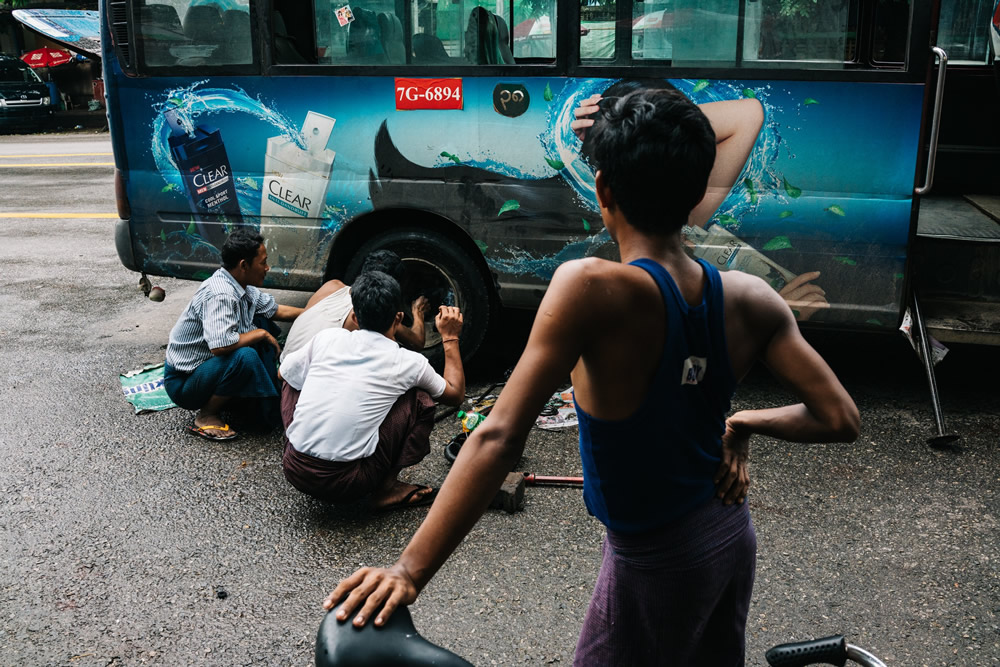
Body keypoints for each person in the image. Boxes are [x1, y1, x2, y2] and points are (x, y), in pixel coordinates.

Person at [322, 88, 860, 664]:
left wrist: (408, 569)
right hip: (728, 539)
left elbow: (500, 436)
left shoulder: (588, 289)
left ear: (603, 191)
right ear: (701, 189)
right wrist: (744, 423)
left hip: (653, 561)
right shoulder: (751, 298)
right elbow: (840, 418)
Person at [573, 78, 828, 322]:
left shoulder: (580, 284)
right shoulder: (729, 301)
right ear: (699, 196)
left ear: (602, 189)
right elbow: (749, 113)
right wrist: (779, 319)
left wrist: (613, 129)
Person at [278, 271, 466, 510]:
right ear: (398, 319)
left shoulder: (327, 337)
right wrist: (450, 337)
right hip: (347, 482)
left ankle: (308, 439)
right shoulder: (408, 362)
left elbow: (282, 374)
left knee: (292, 375)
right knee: (420, 398)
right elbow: (455, 394)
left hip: (294, 468)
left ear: (355, 317)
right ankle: (386, 489)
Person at [164, 230, 303, 440]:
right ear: (243, 265)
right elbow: (220, 346)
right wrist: (260, 334)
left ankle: (247, 397)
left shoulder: (240, 284)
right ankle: (206, 415)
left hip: (208, 369)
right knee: (247, 353)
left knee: (263, 321)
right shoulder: (221, 294)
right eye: (263, 262)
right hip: (184, 382)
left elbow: (277, 310)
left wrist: (320, 312)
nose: (267, 268)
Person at [279, 250, 428, 362]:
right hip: (305, 385)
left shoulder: (332, 286)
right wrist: (418, 313)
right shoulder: (371, 308)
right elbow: (416, 342)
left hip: (285, 370)